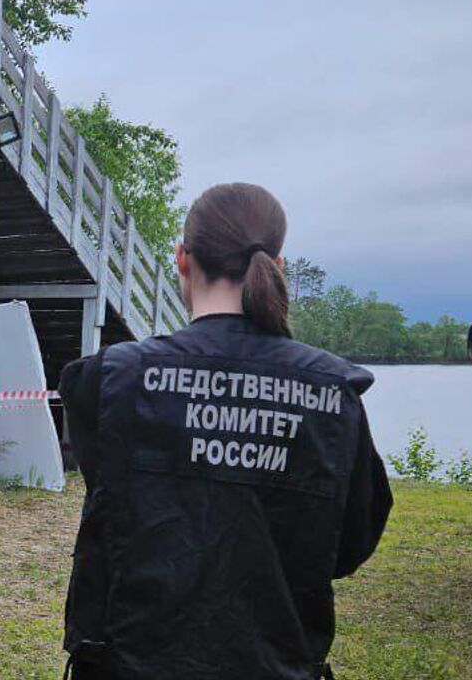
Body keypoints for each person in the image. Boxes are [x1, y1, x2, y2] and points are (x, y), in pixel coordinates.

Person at [58, 183, 392, 680]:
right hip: (276, 664)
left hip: (129, 662)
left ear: (181, 260)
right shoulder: (332, 393)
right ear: (278, 266)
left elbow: (112, 504)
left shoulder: (110, 379)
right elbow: (349, 542)